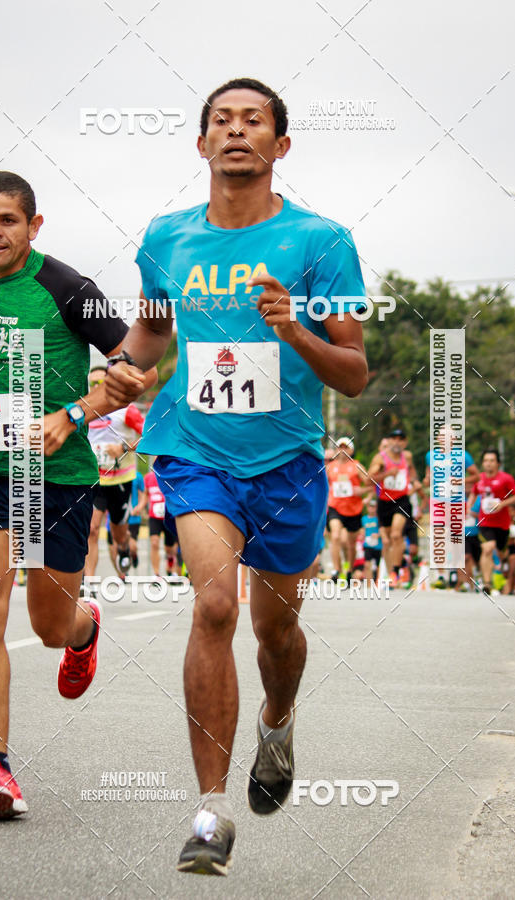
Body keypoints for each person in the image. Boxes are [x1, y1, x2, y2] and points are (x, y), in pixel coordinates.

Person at [105, 77, 368, 875]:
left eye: (254, 121)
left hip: (286, 462)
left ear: (280, 145)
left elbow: (354, 373)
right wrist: (123, 368)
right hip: (195, 451)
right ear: (201, 143)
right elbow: (149, 335)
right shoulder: (167, 238)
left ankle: (279, 721)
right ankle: (211, 812)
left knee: (275, 633)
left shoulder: (323, 242)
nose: (236, 131)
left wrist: (294, 328)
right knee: (214, 604)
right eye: (221, 120)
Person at [0, 171, 154, 819]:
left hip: (54, 478)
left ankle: (84, 628)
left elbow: (133, 369)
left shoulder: (70, 290)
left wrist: (75, 415)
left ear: (34, 226)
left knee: (49, 624)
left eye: (8, 220)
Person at [84, 367, 145, 583]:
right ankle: (88, 581)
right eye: (93, 384)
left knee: (119, 534)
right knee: (91, 529)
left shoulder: (125, 410)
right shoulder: (83, 410)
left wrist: (124, 447)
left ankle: (124, 547)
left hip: (121, 480)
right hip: (95, 479)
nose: (97, 388)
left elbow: (149, 434)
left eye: (102, 383)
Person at [424, 426, 479, 589]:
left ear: (454, 439)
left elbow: (477, 476)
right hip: (438, 501)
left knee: (455, 539)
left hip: (456, 500)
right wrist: (427, 479)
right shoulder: (430, 456)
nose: (444, 439)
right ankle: (441, 574)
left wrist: (462, 481)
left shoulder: (463, 456)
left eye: (448, 436)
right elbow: (427, 475)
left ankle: (456, 573)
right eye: (441, 436)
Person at [368, 428, 419, 587]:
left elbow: (412, 472)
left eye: (400, 439)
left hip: (402, 500)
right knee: (388, 540)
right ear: (389, 441)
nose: (397, 442)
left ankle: (395, 571)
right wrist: (387, 474)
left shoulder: (408, 457)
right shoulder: (380, 458)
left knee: (397, 535)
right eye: (394, 439)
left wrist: (415, 482)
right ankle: (391, 573)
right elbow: (368, 480)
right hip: (384, 502)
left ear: (405, 442)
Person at [470, 448, 515, 596]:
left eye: (492, 461)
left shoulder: (506, 478)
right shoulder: (479, 479)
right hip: (485, 522)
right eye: (486, 461)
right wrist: (469, 507)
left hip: (503, 524)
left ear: (498, 463)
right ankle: (486, 583)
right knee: (487, 548)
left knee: (501, 553)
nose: (489, 464)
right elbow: (474, 492)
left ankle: (502, 566)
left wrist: (502, 504)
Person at [325, 436, 368, 581]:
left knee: (351, 543)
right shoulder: (330, 467)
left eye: (346, 447)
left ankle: (349, 569)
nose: (342, 450)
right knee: (335, 536)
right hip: (335, 506)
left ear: (351, 450)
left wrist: (360, 491)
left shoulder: (357, 466)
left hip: (353, 509)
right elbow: (321, 486)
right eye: (340, 447)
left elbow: (370, 484)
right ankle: (337, 570)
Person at [138, 463, 178, 576]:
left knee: (170, 549)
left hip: (169, 516)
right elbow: (146, 495)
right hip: (154, 516)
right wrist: (140, 507)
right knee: (154, 543)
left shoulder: (171, 476)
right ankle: (156, 574)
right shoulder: (148, 477)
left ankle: (170, 564)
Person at [362, 497, 382, 585]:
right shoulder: (363, 519)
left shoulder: (379, 518)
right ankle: (369, 584)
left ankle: (377, 582)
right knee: (367, 564)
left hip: (378, 545)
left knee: (378, 566)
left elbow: (383, 530)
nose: (372, 508)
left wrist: (378, 535)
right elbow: (362, 530)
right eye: (370, 506)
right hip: (368, 544)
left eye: (374, 507)